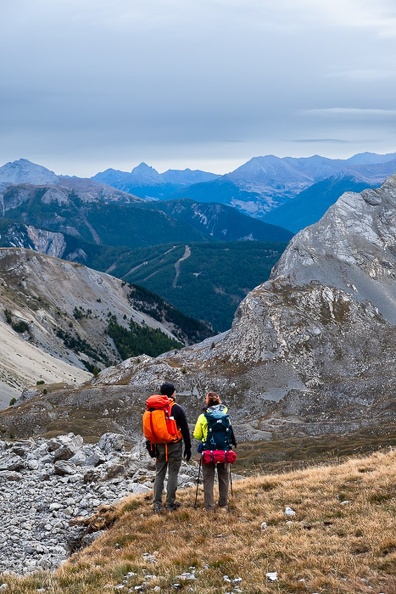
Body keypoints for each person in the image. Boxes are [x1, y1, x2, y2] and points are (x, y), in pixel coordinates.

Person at [193, 391, 236, 512]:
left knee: (208, 478)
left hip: (208, 452)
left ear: (207, 402)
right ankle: (223, 503)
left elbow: (197, 435)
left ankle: (209, 506)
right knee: (224, 476)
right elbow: (230, 433)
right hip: (224, 451)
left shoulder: (203, 417)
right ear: (219, 401)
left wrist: (204, 438)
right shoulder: (225, 415)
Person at [153, 382, 191, 513]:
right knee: (173, 473)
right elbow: (185, 429)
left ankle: (156, 504)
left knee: (159, 473)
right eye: (175, 391)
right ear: (172, 393)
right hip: (174, 445)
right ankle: (170, 503)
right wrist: (188, 447)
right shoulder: (177, 408)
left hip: (158, 445)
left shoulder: (153, 408)